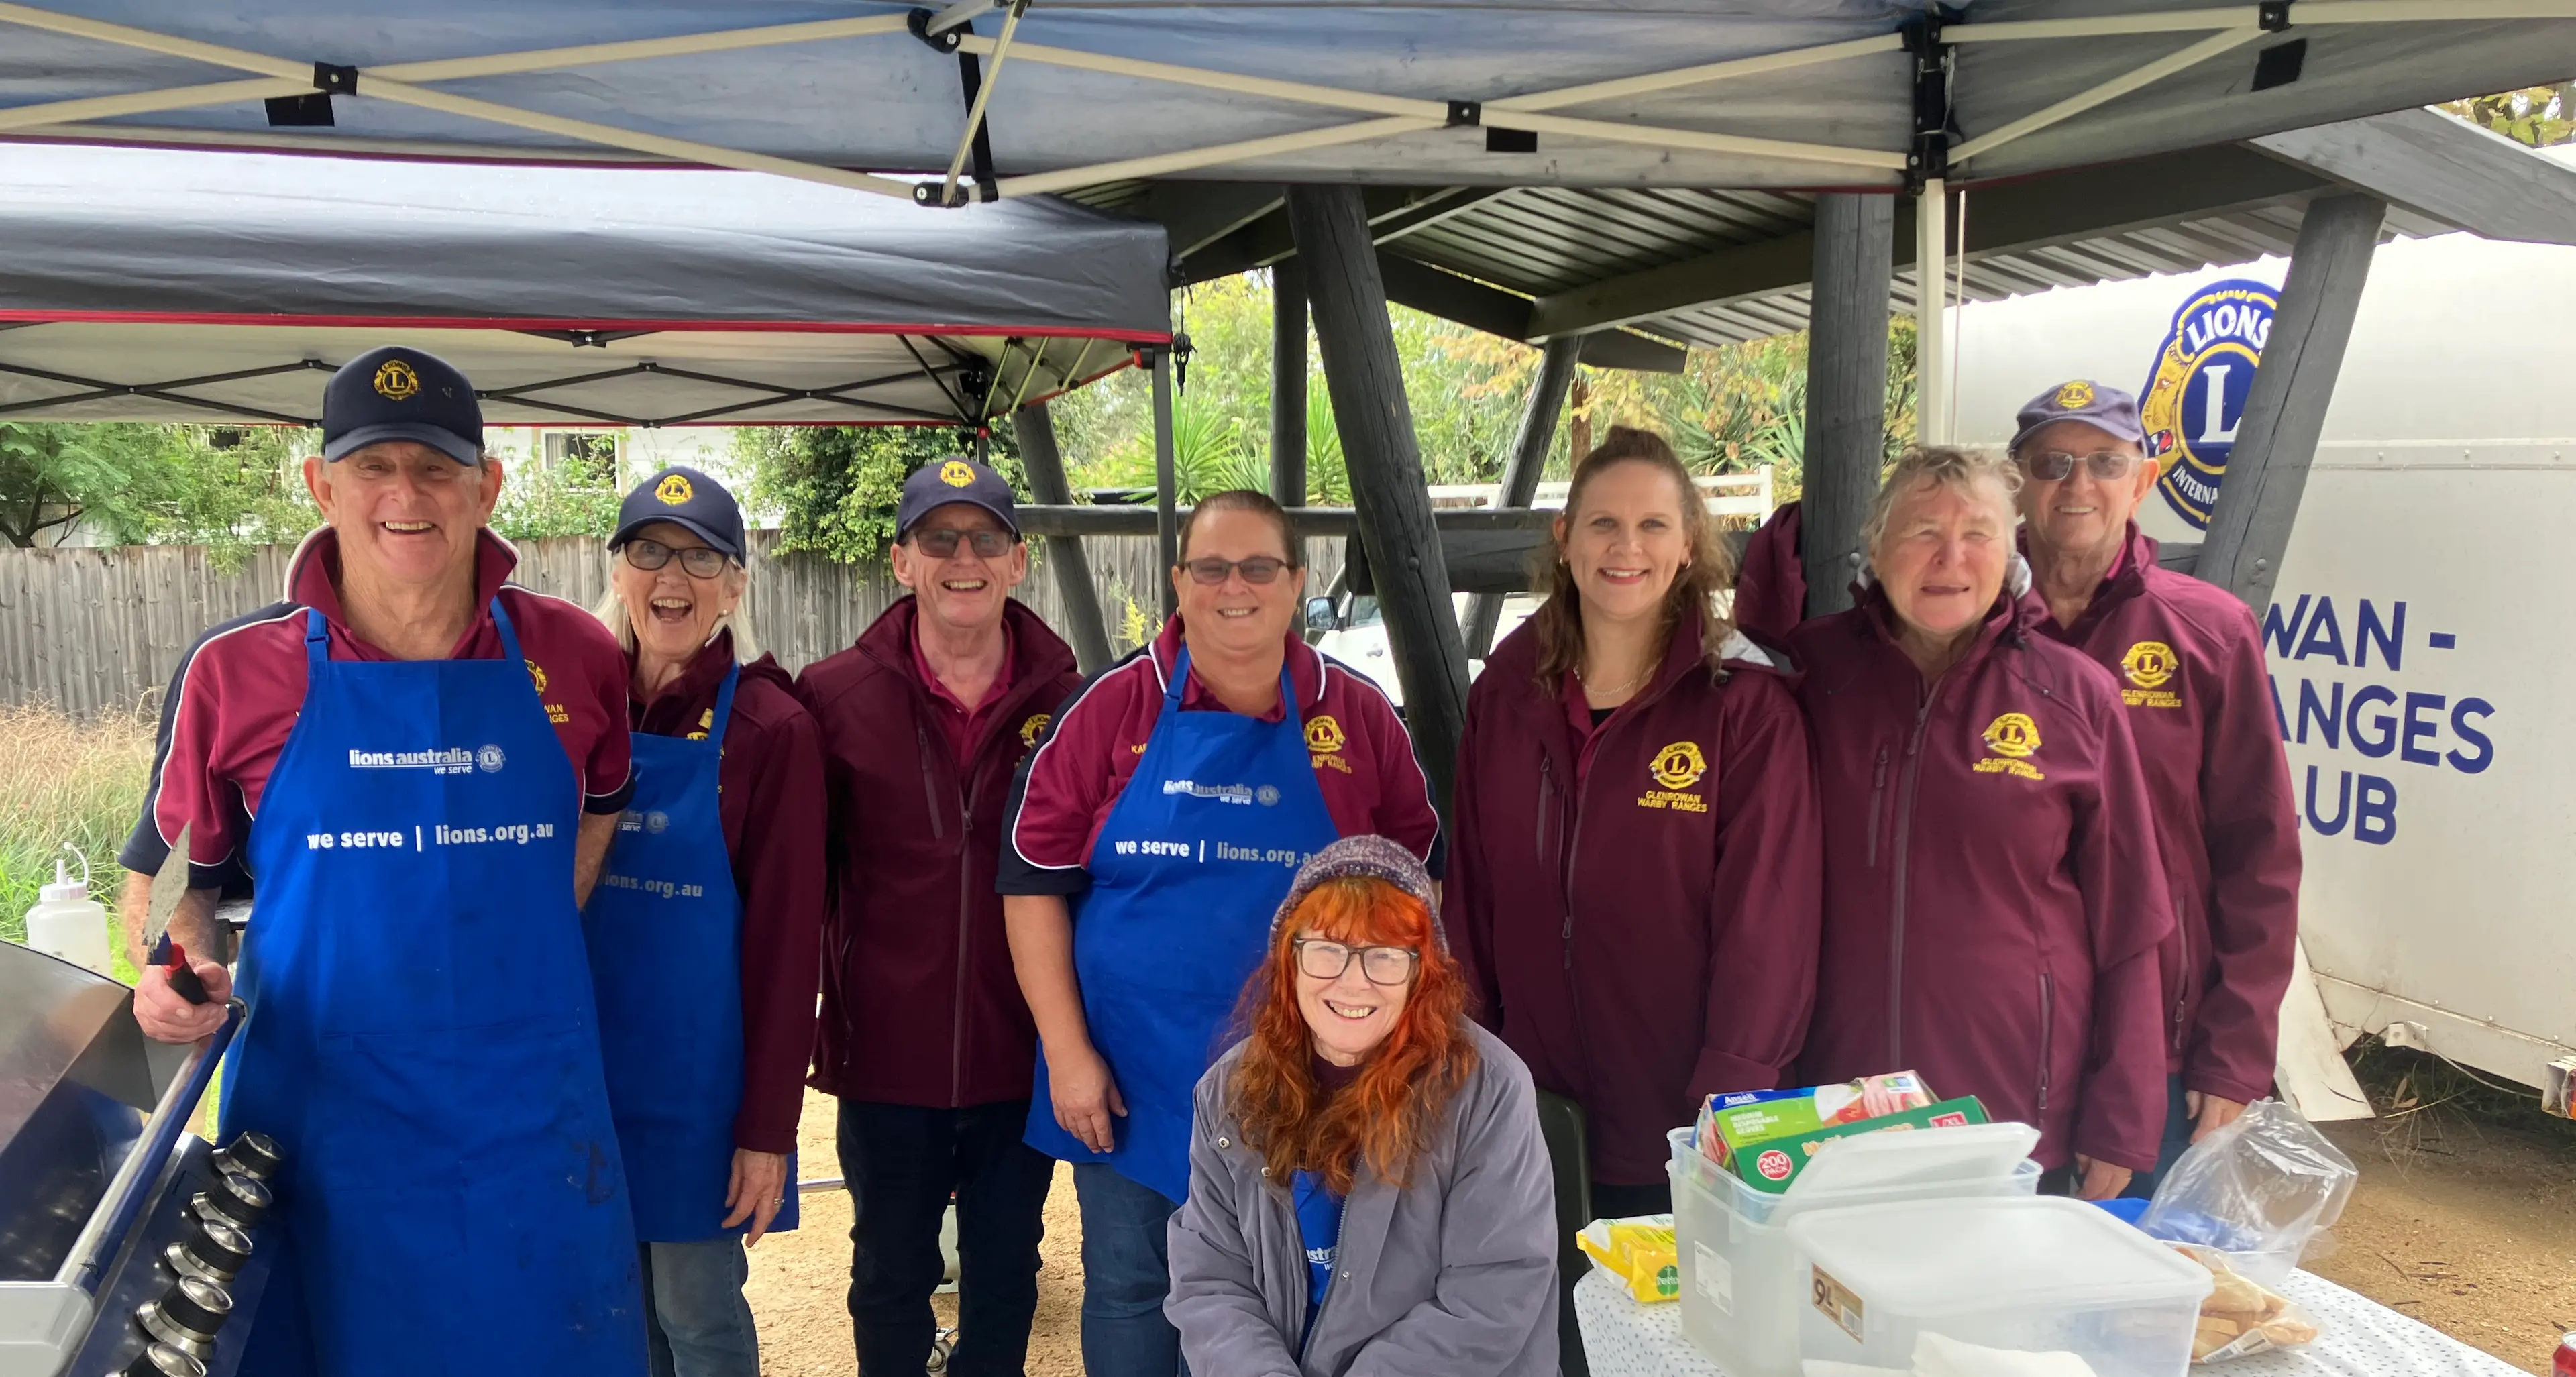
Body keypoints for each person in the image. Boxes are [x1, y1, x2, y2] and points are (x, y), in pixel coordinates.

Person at [120, 347, 647, 1374]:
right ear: (321, 484)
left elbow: (605, 806)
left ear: (488, 486)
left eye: (438, 466)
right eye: (373, 466)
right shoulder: (234, 672)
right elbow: (183, 881)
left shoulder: (577, 654)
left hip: (532, 1122)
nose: (407, 493)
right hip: (323, 1127)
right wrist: (167, 978)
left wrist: (540, 922)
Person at [998, 489, 1442, 1377]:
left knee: (1292, 1299)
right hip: (1134, 1082)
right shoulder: (1109, 709)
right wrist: (1067, 1051)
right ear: (1179, 582)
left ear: (1296, 582)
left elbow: (1416, 892)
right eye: (1211, 567)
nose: (1233, 587)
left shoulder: (1357, 718)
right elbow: (1031, 883)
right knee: (1130, 1289)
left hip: (1312, 1087)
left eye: (1258, 567)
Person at [1443, 425, 1822, 1376]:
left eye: (1654, 524)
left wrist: (1726, 1101)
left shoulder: (1744, 704)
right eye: (1604, 524)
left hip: (1681, 1118)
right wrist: (1472, 1054)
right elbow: (1474, 890)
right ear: (1565, 539)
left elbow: (1770, 923)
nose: (1627, 548)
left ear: (1688, 543)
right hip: (1532, 1106)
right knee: (1546, 1342)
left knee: (1668, 1354)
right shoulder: (1507, 691)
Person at [1790, 445, 2173, 1200]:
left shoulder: (2076, 698)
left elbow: (2134, 921)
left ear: (2012, 550)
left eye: (1978, 533)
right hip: (1837, 1106)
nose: (1950, 557)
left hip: (2012, 1117)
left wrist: (2122, 1119)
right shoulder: (1811, 677)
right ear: (1875, 546)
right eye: (1922, 530)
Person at [796, 458, 1084, 1377]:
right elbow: (803, 882)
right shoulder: (832, 697)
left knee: (1007, 1269)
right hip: (886, 1055)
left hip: (1018, 1051)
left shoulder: (1074, 705)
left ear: (1018, 560)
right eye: (939, 538)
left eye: (985, 537)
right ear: (902, 561)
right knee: (889, 1272)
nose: (964, 556)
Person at [2006, 380, 2301, 1195]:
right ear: (2017, 482)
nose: (2078, 484)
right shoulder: (1970, 629)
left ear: (2143, 479)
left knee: (2128, 1302)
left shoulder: (2208, 633)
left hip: (2159, 1051)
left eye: (2105, 462)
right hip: (2003, 1036)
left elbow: (2260, 853)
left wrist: (2236, 1052)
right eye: (2053, 462)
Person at [588, 465, 824, 1377]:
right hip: (585, 1078)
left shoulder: (773, 728)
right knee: (612, 1308)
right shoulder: (575, 709)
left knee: (696, 1312)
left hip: (698, 1092)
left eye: (700, 556)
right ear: (618, 571)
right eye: (649, 551)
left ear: (735, 583)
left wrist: (767, 1131)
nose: (671, 577)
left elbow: (785, 949)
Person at [1168, 836, 1558, 1377]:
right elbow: (1211, 1277)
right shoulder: (1229, 1090)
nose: (1354, 980)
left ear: (1421, 972)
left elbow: (1492, 1292)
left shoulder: (1489, 1090)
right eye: (1328, 949)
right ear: (1291, 960)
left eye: (1385, 955)